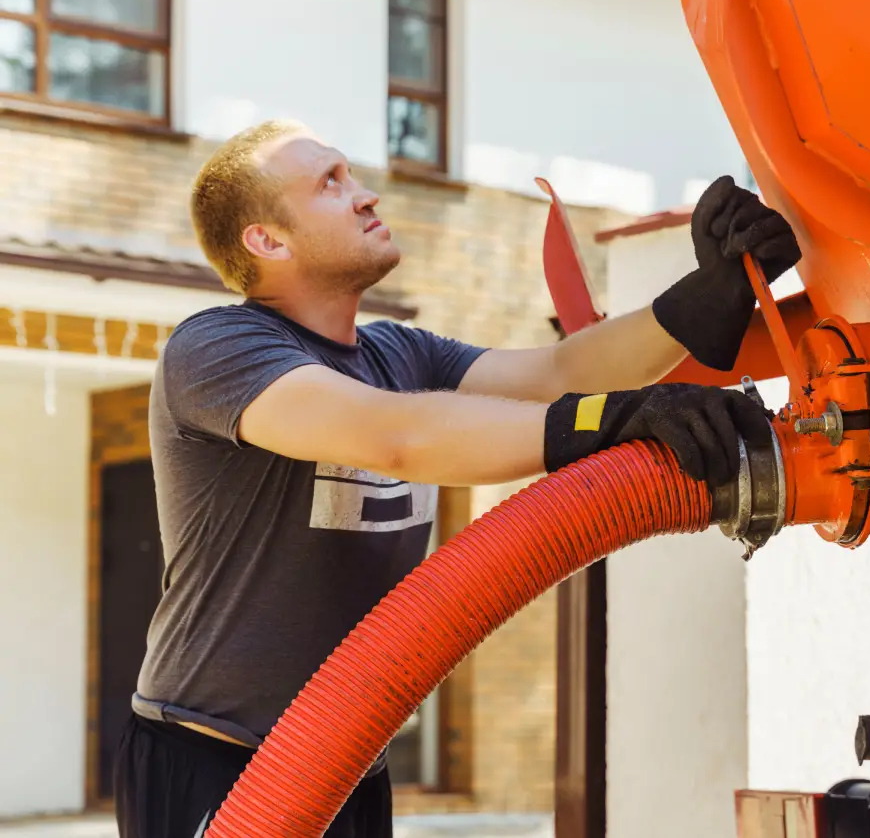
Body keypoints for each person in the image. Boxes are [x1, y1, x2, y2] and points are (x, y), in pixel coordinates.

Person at [113, 119, 801, 838]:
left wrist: (706, 298)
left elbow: (556, 375)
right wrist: (606, 422)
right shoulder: (218, 347)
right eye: (331, 184)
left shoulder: (399, 353)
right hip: (214, 760)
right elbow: (396, 437)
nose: (366, 195)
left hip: (348, 762)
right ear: (267, 241)